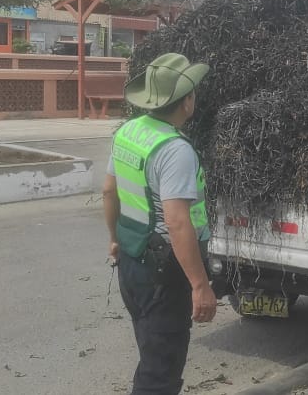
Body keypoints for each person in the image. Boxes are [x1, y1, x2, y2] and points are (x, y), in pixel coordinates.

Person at [102, 53, 215, 394]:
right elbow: (178, 223)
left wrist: (115, 239)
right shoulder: (174, 149)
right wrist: (199, 284)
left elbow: (109, 191)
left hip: (131, 263)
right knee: (160, 374)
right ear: (187, 101)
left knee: (150, 352)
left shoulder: (129, 131)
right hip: (163, 274)